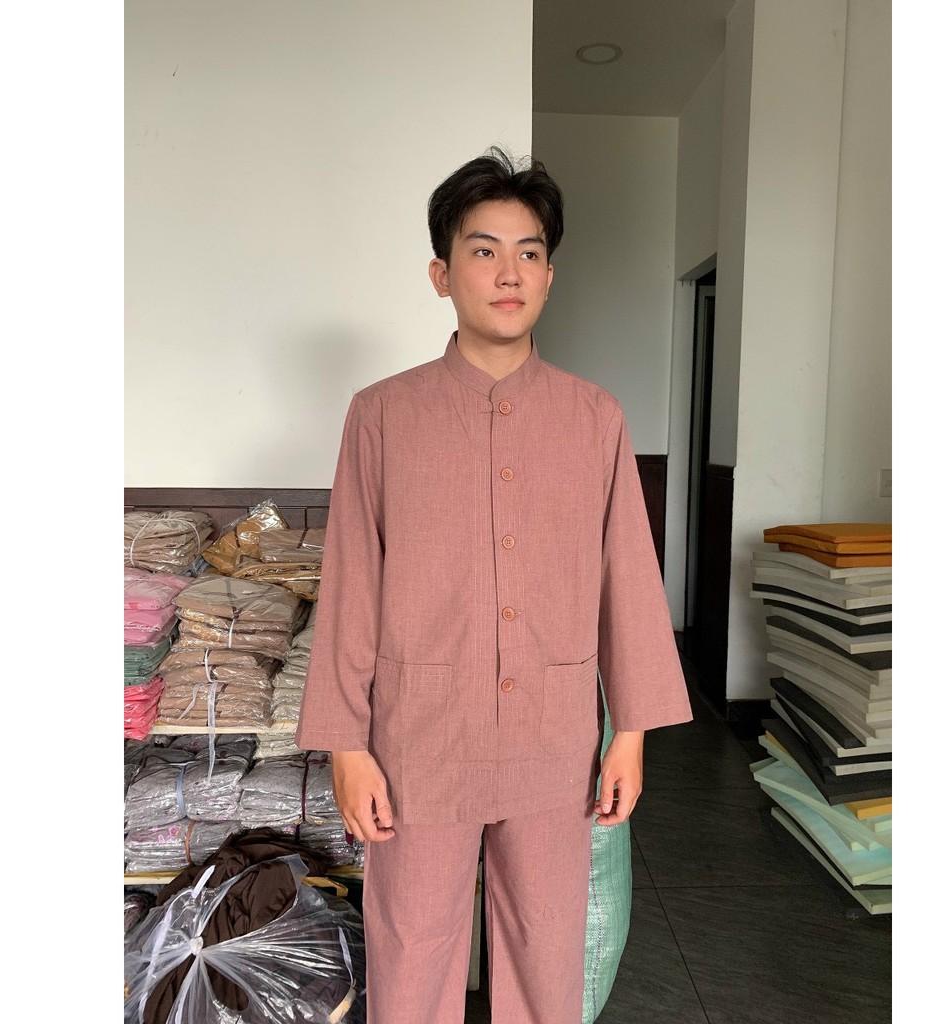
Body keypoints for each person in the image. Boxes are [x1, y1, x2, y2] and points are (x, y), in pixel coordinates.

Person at [295, 146, 693, 1023]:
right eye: (483, 251)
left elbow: (626, 578)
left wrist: (628, 733)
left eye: (529, 252)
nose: (509, 273)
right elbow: (353, 584)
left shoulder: (594, 418)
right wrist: (347, 747)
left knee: (547, 948)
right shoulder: (384, 415)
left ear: (549, 274)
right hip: (419, 739)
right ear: (442, 274)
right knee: (412, 950)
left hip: (554, 739)